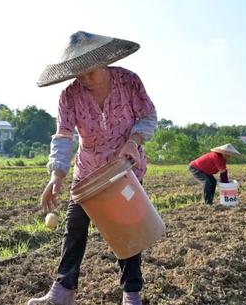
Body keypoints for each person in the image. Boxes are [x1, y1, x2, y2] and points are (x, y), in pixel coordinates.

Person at [28, 31, 157, 305]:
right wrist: (56, 176)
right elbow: (63, 136)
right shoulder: (70, 96)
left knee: (127, 232)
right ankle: (62, 293)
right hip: (87, 173)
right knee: (74, 228)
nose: (84, 79)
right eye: (78, 74)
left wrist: (134, 141)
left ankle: (131, 294)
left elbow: (148, 117)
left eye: (89, 72)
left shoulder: (128, 81)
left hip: (124, 170)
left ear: (102, 62)